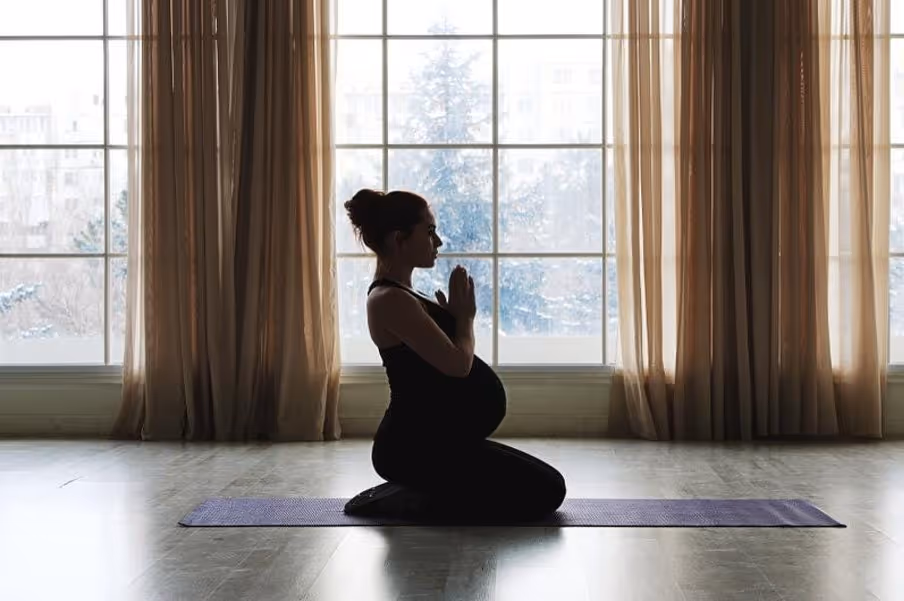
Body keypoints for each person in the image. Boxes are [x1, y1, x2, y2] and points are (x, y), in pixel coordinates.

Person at [342, 188, 567, 524]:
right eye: (429, 231)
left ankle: (419, 492)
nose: (439, 242)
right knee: (545, 491)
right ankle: (409, 499)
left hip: (442, 443)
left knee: (549, 484)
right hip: (413, 448)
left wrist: (453, 322)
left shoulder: (406, 295)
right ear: (399, 239)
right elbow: (458, 366)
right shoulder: (389, 299)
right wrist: (465, 321)